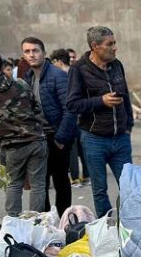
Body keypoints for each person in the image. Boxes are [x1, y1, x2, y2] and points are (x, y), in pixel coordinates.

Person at [66, 26, 133, 217]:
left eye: (114, 43)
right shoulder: (78, 69)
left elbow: (126, 96)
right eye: (109, 44)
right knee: (100, 189)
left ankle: (131, 224)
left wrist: (129, 125)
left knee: (130, 186)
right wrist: (101, 101)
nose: (115, 47)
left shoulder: (117, 65)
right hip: (94, 139)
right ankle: (107, 225)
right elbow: (72, 104)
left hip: (121, 138)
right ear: (95, 46)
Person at [0, 50, 48, 216]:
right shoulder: (20, 83)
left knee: (14, 184)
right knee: (38, 185)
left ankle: (13, 221)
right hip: (37, 139)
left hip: (12, 144)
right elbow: (37, 108)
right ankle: (36, 221)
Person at [22, 36, 78, 217]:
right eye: (27, 51)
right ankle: (46, 220)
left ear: (43, 53)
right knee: (41, 182)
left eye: (35, 50)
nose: (31, 55)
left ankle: (64, 219)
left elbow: (70, 109)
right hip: (37, 138)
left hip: (56, 136)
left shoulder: (57, 75)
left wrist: (61, 138)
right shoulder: (28, 77)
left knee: (61, 180)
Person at [49, 48, 89, 188]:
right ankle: (86, 176)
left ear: (58, 61)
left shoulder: (61, 76)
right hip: (82, 116)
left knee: (72, 149)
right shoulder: (78, 72)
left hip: (70, 117)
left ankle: (75, 178)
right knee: (82, 149)